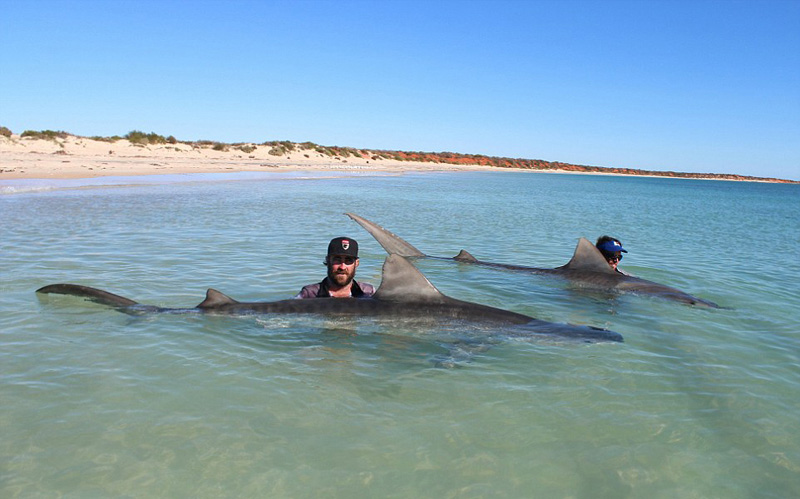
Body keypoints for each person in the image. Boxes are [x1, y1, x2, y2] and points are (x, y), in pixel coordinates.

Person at [295, 237, 376, 299]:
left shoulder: (368, 292)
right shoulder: (309, 294)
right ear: (327, 260)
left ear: (356, 263)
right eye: (337, 260)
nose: (342, 267)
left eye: (348, 261)